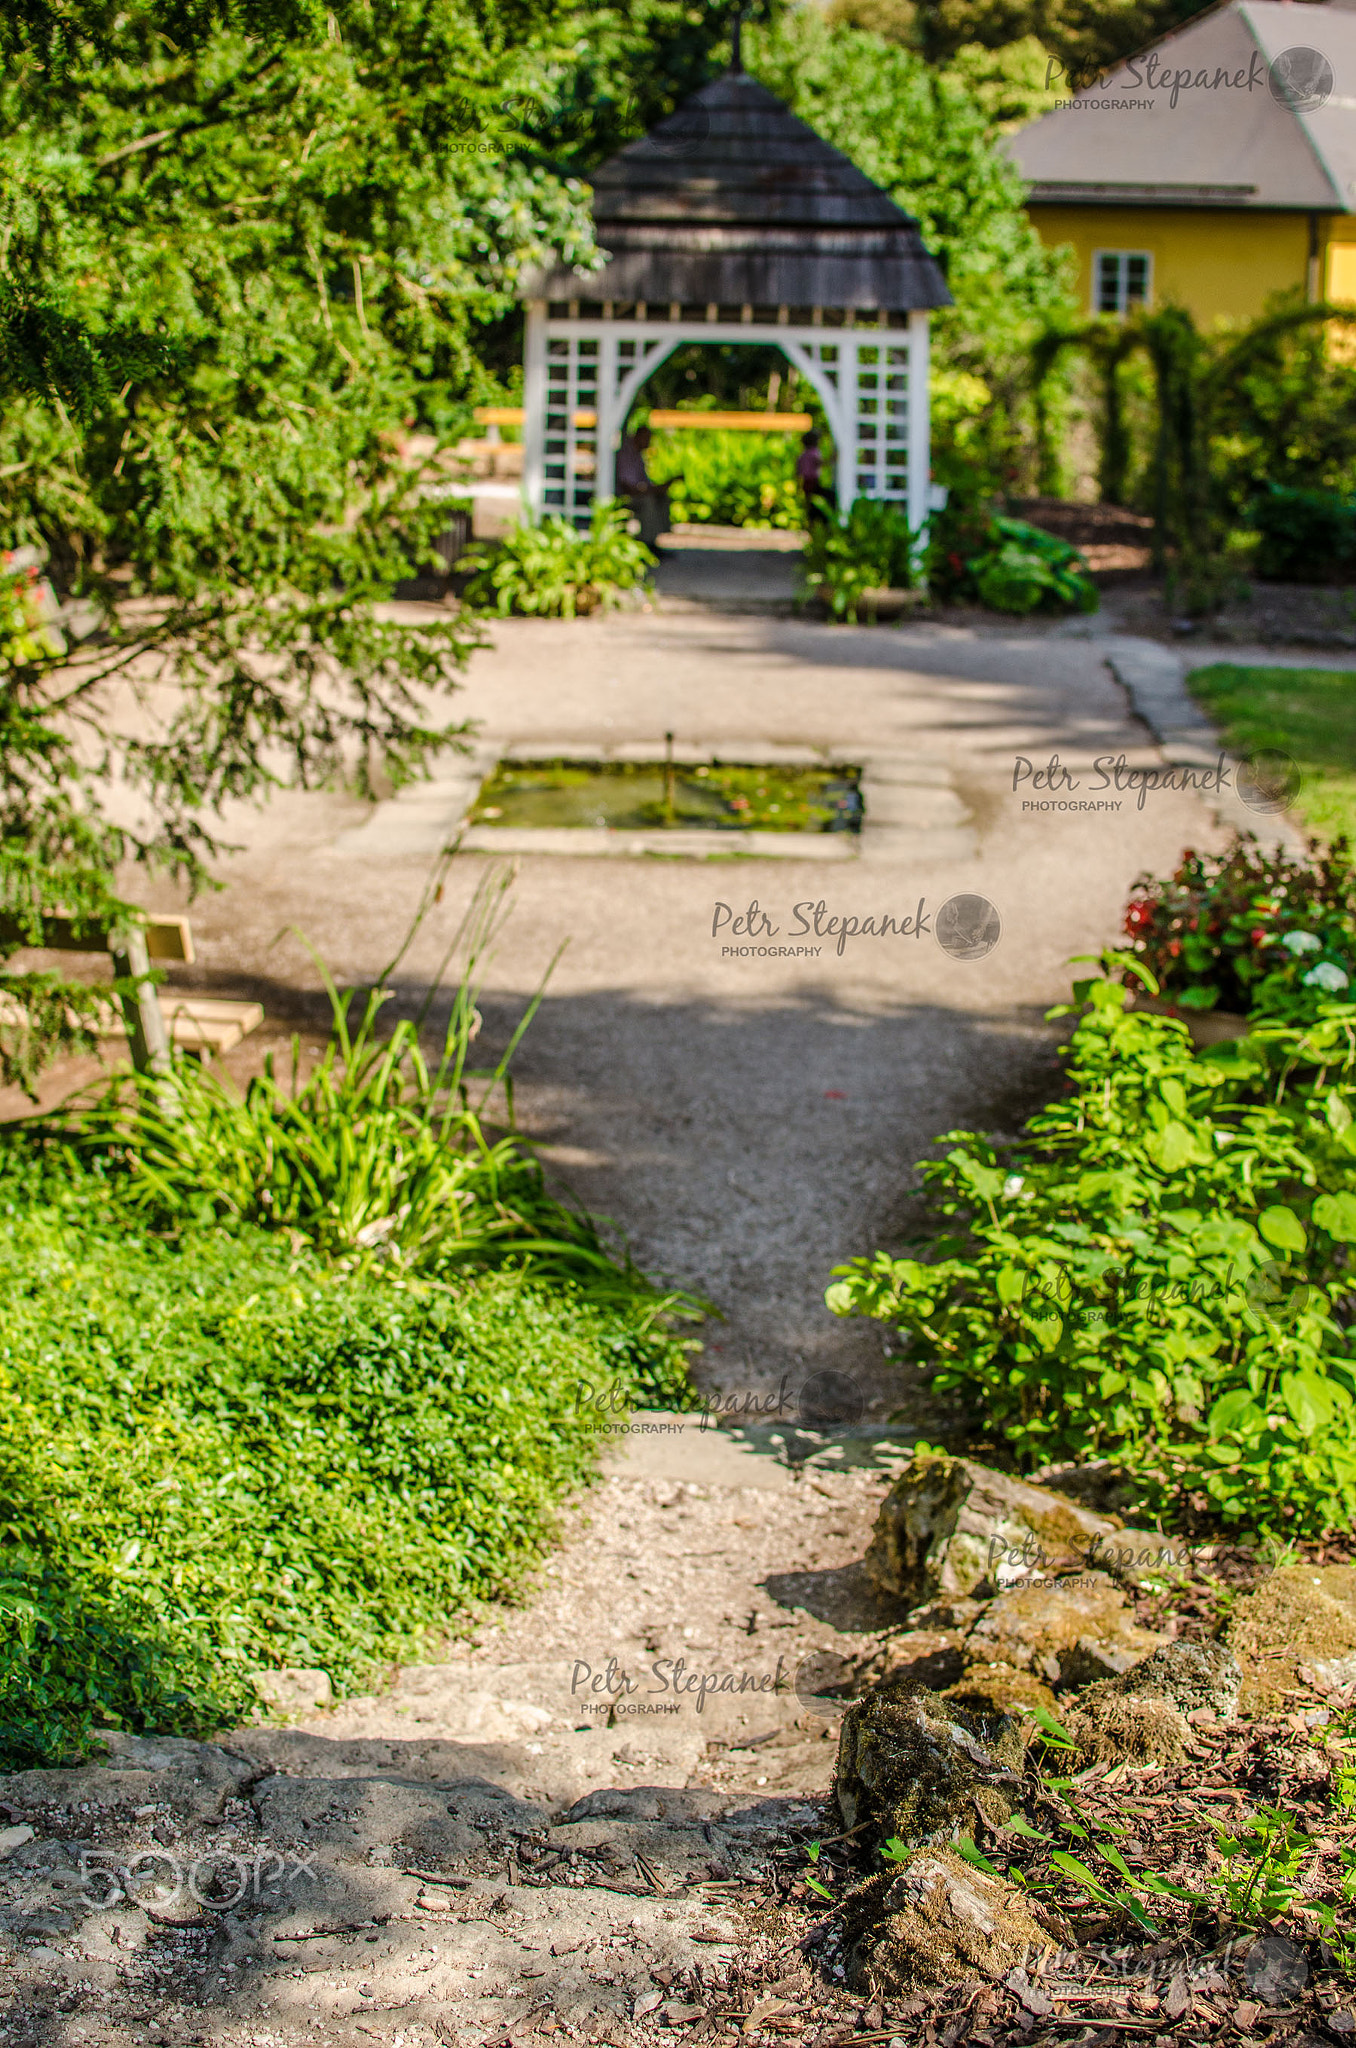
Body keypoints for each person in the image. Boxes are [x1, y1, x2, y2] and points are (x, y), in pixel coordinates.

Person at [616, 424, 670, 547]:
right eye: (647, 438)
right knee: (648, 501)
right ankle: (647, 542)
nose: (649, 443)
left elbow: (644, 483)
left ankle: (656, 537)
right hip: (624, 496)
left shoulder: (638, 456)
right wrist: (649, 491)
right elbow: (628, 487)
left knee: (662, 498)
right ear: (638, 437)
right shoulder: (627, 455)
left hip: (637, 493)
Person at [796, 429, 835, 524]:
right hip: (812, 482)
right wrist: (832, 459)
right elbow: (819, 463)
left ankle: (812, 522)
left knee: (811, 503)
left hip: (806, 482)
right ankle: (820, 522)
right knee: (825, 499)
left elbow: (797, 470)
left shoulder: (803, 454)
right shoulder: (812, 452)